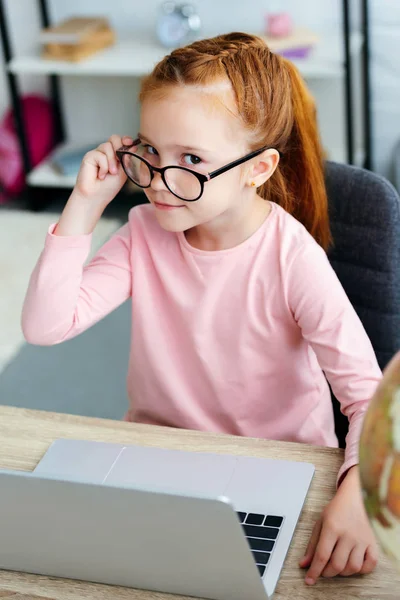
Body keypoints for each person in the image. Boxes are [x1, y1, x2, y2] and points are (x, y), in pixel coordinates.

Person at [22, 32, 381, 585]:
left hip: (276, 470)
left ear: (256, 170)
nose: (160, 183)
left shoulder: (291, 258)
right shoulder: (144, 232)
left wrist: (356, 493)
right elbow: (46, 326)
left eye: (190, 159)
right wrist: (85, 205)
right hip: (158, 460)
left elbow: (369, 397)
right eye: (150, 150)